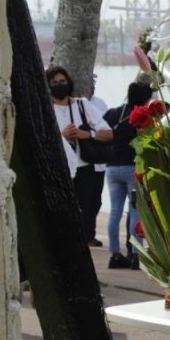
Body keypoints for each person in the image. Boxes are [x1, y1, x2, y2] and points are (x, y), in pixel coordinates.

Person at [47, 65, 113, 248]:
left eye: (62, 81)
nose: (59, 85)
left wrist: (87, 134)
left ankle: (83, 242)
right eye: (54, 83)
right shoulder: (45, 109)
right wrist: (62, 135)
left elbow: (108, 133)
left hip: (85, 167)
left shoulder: (82, 105)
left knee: (87, 209)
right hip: (59, 169)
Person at [102, 81, 152, 269]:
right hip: (134, 168)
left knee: (115, 211)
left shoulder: (114, 114)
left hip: (112, 167)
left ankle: (115, 254)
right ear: (146, 99)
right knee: (135, 211)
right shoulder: (144, 117)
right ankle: (135, 253)